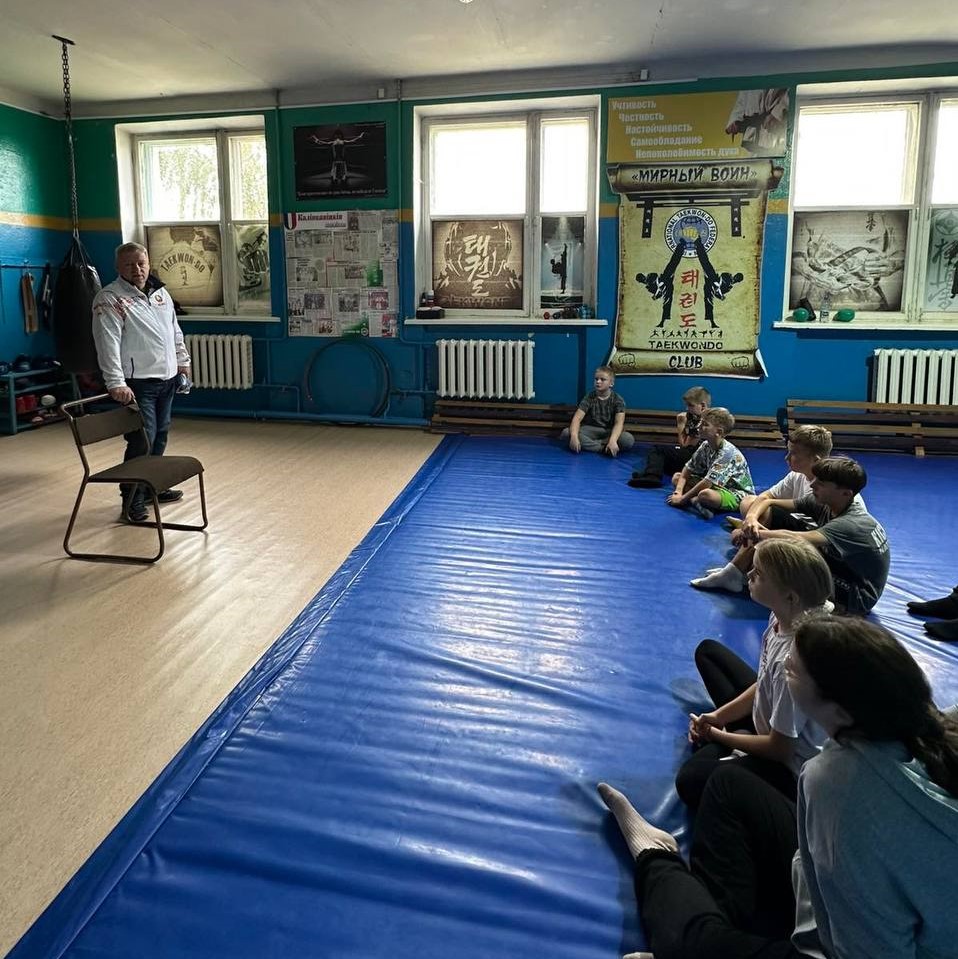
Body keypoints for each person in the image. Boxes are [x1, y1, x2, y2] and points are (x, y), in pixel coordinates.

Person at [598, 615, 958, 959]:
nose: (784, 666)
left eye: (793, 670)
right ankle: (710, 922)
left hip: (868, 945)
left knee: (690, 944)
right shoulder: (922, 725)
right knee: (728, 783)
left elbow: (868, 949)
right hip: (874, 895)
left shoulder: (837, 781)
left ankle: (657, 856)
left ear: (840, 710)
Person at [676, 540, 832, 811]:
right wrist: (718, 716)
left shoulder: (793, 661)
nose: (748, 574)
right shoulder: (783, 615)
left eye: (758, 574)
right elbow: (763, 682)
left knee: (690, 780)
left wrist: (717, 735)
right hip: (769, 719)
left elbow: (780, 750)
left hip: (785, 765)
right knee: (708, 652)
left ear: (790, 597)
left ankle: (740, 740)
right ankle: (742, 733)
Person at [691, 456, 890, 615]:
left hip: (855, 594)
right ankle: (737, 572)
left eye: (821, 483)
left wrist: (756, 534)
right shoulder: (826, 502)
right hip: (841, 564)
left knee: (791, 548)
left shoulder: (852, 522)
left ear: (845, 493)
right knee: (776, 518)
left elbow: (797, 539)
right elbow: (769, 502)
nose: (812, 485)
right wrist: (750, 520)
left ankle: (819, 603)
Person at [92, 242, 191, 523]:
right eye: (129, 265)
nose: (137, 269)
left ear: (148, 263)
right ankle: (131, 499)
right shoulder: (109, 298)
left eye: (141, 263)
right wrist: (115, 382)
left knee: (160, 436)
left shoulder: (160, 293)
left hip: (167, 379)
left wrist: (183, 361)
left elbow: (174, 331)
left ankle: (150, 488)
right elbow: (107, 343)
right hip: (138, 384)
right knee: (142, 441)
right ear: (118, 267)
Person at [725, 424, 833, 533]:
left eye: (794, 453)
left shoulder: (826, 487)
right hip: (794, 520)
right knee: (748, 501)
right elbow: (766, 496)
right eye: (788, 451)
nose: (786, 457)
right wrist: (751, 517)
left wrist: (762, 509)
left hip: (810, 531)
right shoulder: (796, 475)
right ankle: (752, 529)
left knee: (762, 509)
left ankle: (753, 534)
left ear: (815, 460)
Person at [667, 407, 754, 520]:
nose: (699, 426)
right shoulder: (705, 445)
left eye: (705, 424)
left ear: (719, 432)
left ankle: (700, 501)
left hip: (736, 494)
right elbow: (688, 468)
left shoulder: (727, 453)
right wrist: (678, 492)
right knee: (677, 477)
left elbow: (707, 483)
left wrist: (682, 499)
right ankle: (695, 501)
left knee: (706, 495)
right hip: (716, 486)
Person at [629, 386, 711, 489]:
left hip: (698, 459)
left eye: (690, 405)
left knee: (658, 449)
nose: (687, 409)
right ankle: (649, 472)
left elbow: (685, 445)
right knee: (662, 459)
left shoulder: (701, 421)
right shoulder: (702, 417)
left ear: (702, 406)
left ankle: (652, 476)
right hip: (699, 459)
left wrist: (680, 424)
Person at [561, 366, 634, 456]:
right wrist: (574, 437)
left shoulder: (618, 400)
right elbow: (577, 418)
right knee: (567, 433)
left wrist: (613, 441)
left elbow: (618, 423)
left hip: (608, 431)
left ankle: (600, 445)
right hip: (590, 430)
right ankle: (602, 449)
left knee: (627, 440)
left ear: (611, 383)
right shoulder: (589, 397)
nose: (598, 382)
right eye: (596, 379)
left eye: (602, 379)